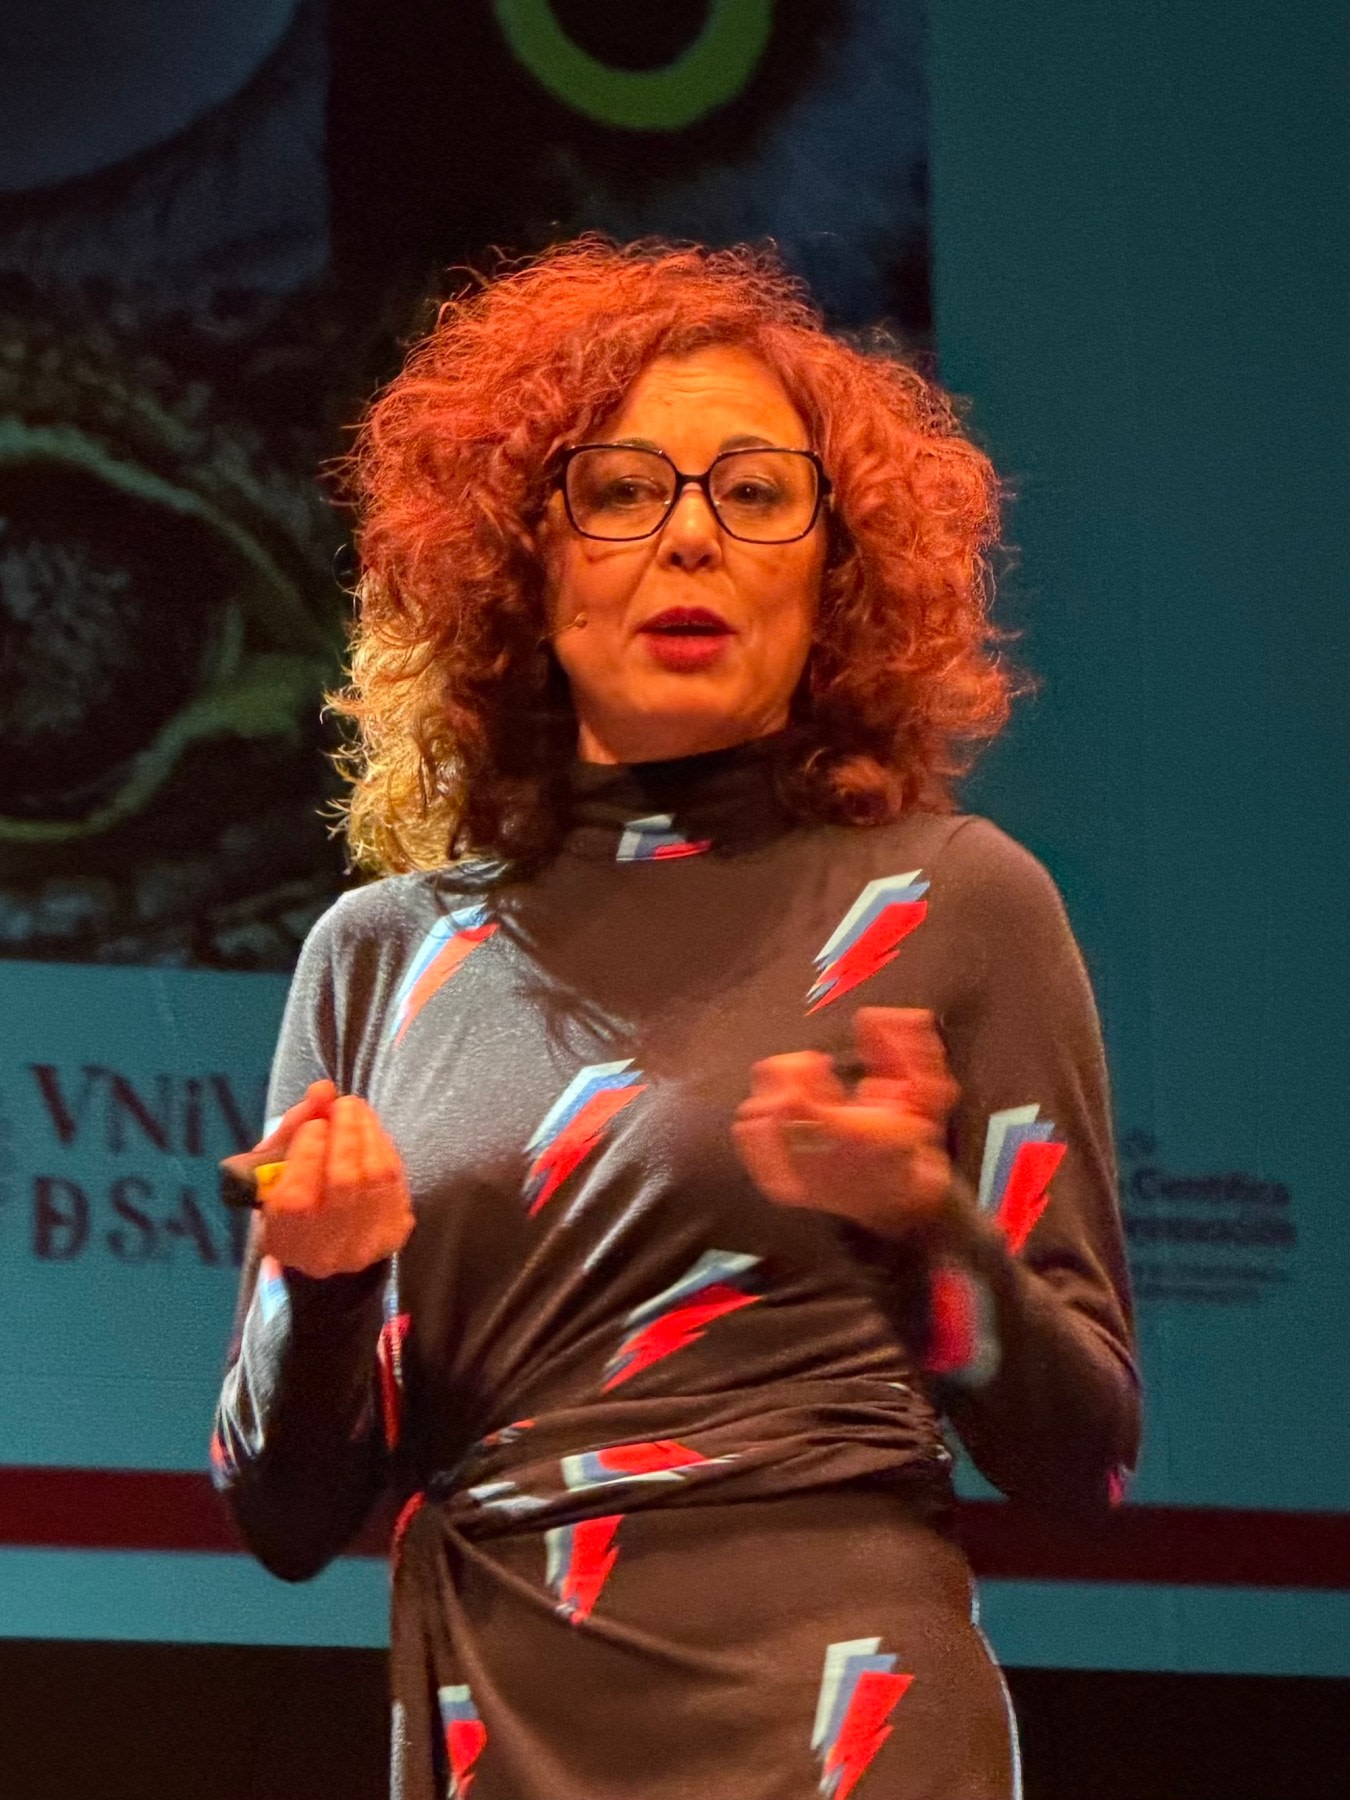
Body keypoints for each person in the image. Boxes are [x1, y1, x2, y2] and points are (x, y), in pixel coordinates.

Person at [213, 240, 1139, 1800]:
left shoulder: (957, 901)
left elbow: (1081, 1457)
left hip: (834, 1723)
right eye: (622, 490)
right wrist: (321, 1281)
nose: (690, 540)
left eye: (755, 494)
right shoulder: (378, 956)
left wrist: (919, 1229)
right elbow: (285, 1518)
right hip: (493, 1713)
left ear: (832, 572)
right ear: (524, 561)